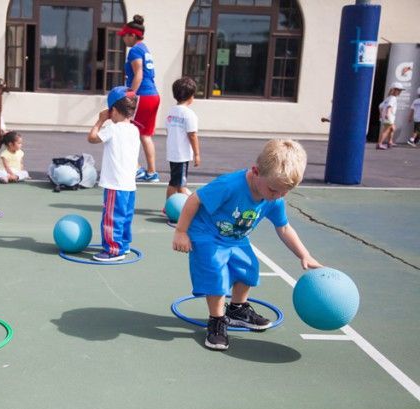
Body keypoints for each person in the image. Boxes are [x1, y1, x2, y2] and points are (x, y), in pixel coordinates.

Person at [172, 139, 322, 351]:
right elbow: (194, 199)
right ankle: (216, 320)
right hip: (207, 233)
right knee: (216, 272)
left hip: (235, 237)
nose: (278, 196)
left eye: (284, 192)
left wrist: (304, 255)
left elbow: (284, 228)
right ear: (256, 172)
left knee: (249, 268)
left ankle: (237, 309)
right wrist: (181, 231)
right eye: (273, 190)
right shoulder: (230, 185)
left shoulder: (274, 198)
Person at [87, 86, 140, 262]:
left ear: (114, 111)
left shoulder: (113, 129)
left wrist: (100, 121)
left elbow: (92, 138)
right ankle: (122, 245)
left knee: (111, 218)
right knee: (124, 218)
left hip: (114, 184)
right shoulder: (134, 130)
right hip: (129, 185)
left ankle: (113, 250)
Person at [118, 14, 160, 182]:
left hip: (143, 96)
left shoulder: (135, 50)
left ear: (132, 35)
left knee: (129, 132)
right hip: (153, 96)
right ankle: (151, 173)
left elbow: (139, 74)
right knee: (145, 135)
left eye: (125, 36)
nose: (123, 39)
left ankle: (136, 169)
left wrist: (130, 94)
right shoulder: (144, 48)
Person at [165, 77, 200, 201]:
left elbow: (168, 130)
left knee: (177, 182)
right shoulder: (189, 114)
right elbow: (192, 135)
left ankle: (176, 203)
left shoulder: (171, 111)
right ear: (191, 96)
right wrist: (197, 154)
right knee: (177, 183)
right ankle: (171, 206)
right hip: (182, 155)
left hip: (173, 152)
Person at [377, 82, 404, 150]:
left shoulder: (388, 98)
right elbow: (389, 107)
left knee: (392, 128)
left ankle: (390, 142)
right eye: (399, 90)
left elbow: (380, 106)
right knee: (386, 130)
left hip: (387, 116)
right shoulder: (393, 98)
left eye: (400, 90)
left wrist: (381, 114)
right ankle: (379, 144)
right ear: (394, 90)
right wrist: (387, 114)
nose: (400, 92)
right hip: (389, 117)